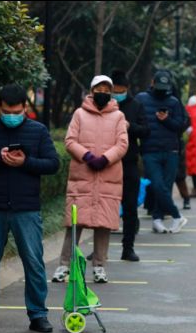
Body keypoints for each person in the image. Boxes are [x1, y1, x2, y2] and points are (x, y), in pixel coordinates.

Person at [0, 84, 60, 333]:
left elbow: (53, 164)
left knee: (33, 261)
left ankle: (38, 314)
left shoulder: (38, 131)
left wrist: (25, 162)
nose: (11, 115)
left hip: (26, 207)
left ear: (25, 108)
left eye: (16, 111)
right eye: (7, 111)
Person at [51, 75, 128, 284]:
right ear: (91, 90)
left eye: (106, 89)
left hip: (107, 177)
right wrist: (86, 156)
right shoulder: (79, 114)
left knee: (103, 225)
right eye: (98, 88)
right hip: (82, 176)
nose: (102, 92)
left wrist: (105, 159)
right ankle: (64, 266)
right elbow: (70, 140)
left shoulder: (119, 116)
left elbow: (122, 144)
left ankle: (100, 267)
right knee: (74, 224)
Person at [136, 70, 188, 234]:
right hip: (150, 150)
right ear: (152, 83)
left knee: (165, 186)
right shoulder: (141, 99)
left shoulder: (174, 101)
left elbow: (181, 125)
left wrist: (167, 120)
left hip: (171, 150)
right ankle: (177, 216)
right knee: (157, 185)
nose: (161, 89)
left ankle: (157, 220)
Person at [111, 69, 150, 263]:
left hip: (129, 162)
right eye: (114, 90)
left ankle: (128, 248)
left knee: (130, 207)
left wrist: (130, 126)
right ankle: (99, 248)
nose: (118, 93)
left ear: (127, 89)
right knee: (105, 207)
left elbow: (146, 131)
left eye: (121, 90)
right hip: (107, 163)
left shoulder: (136, 106)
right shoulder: (105, 106)